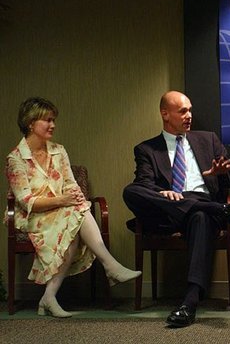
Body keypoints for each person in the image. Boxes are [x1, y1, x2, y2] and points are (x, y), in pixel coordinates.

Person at [6, 97, 141, 318]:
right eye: (47, 120)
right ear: (31, 123)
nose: (53, 125)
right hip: (33, 216)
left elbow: (70, 183)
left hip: (63, 211)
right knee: (76, 214)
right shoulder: (16, 159)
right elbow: (26, 201)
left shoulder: (59, 150)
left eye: (53, 120)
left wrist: (75, 195)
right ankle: (110, 266)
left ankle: (49, 297)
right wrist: (64, 200)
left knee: (76, 213)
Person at [123, 90, 230, 328]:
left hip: (198, 211)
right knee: (130, 190)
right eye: (183, 111)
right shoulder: (147, 149)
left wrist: (223, 173)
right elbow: (144, 183)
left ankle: (188, 304)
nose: (189, 115)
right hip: (167, 211)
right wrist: (161, 193)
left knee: (199, 215)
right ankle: (215, 208)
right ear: (165, 114)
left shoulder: (208, 139)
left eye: (190, 110)